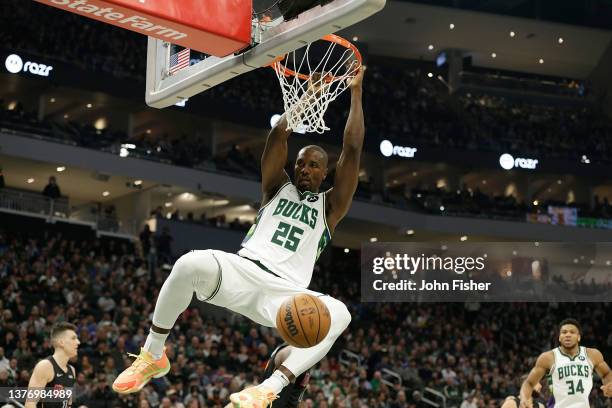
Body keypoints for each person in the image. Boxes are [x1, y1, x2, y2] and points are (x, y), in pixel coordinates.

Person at [112, 66, 366, 408]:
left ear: (325, 173)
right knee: (189, 263)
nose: (305, 169)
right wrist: (308, 96)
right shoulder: (277, 187)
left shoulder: (331, 206)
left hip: (285, 295)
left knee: (341, 314)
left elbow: (352, 150)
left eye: (314, 165)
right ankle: (153, 355)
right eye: (301, 163)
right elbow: (278, 136)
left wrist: (356, 92)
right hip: (242, 270)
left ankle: (269, 388)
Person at [519, 318, 612, 408]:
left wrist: (609, 384)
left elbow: (606, 373)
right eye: (564, 332)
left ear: (579, 337)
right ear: (559, 337)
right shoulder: (548, 358)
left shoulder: (592, 354)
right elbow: (529, 383)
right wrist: (524, 398)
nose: (568, 335)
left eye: (572, 332)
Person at [25, 322, 80, 408]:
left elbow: (68, 405)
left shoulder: (72, 370)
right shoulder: (45, 366)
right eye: (73, 338)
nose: (78, 342)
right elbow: (30, 404)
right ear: (61, 342)